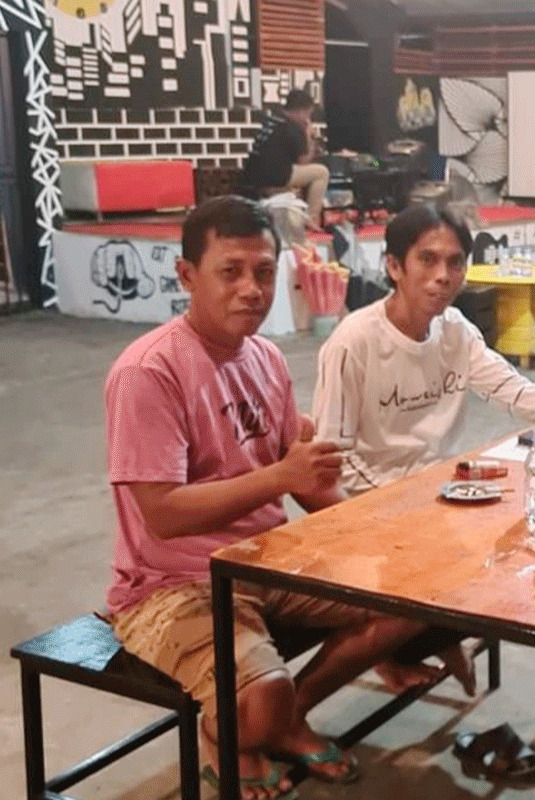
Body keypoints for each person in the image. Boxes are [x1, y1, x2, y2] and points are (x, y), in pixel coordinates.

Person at [103, 197, 452, 799]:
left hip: (269, 558)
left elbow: (307, 480)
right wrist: (278, 479)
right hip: (173, 582)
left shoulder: (265, 357)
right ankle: (240, 729)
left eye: (264, 272)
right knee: (259, 702)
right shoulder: (148, 372)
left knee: (421, 589)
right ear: (187, 275)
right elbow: (160, 515)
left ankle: (288, 716)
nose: (252, 289)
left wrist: (385, 537)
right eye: (230, 272)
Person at [311, 203, 535, 495]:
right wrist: (399, 501)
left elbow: (520, 395)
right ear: (394, 266)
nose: (443, 275)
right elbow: (331, 459)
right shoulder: (353, 342)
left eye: (455, 262)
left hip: (441, 489)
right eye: (428, 259)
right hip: (373, 503)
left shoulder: (456, 331)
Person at [239, 89, 329, 229]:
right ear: (302, 111)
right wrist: (308, 135)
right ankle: (312, 219)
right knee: (321, 172)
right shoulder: (293, 127)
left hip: (251, 176)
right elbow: (304, 162)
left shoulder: (271, 120)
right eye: (308, 113)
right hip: (276, 178)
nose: (308, 118)